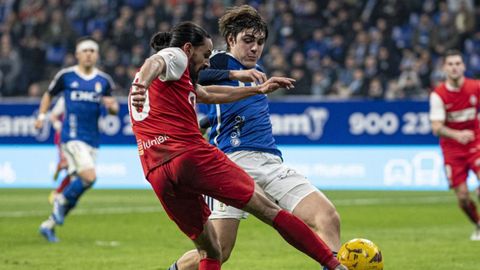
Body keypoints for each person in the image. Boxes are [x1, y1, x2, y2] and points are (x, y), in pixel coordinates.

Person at [129, 21, 347, 270]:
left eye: (260, 42)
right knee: (264, 213)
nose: (207, 61)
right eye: (248, 40)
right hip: (201, 156)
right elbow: (157, 62)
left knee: (211, 250)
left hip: (156, 168)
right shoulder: (181, 56)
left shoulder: (181, 81)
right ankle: (334, 265)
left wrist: (258, 89)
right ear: (230, 39)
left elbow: (209, 94)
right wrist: (140, 85)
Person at [35, 37, 119, 242]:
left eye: (92, 50)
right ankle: (60, 199)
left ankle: (49, 225)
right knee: (90, 176)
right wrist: (41, 116)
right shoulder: (66, 76)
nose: (89, 53)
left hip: (92, 140)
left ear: (97, 55)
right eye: (85, 50)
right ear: (77, 55)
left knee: (82, 183)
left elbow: (114, 109)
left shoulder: (104, 81)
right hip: (71, 137)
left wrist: (111, 106)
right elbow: (48, 95)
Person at [429, 49, 480, 241]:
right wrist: (458, 135)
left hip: (476, 142)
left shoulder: (476, 87)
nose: (454, 67)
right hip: (452, 149)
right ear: (444, 68)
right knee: (463, 197)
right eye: (450, 64)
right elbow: (436, 127)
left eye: (458, 63)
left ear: (464, 66)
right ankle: (478, 224)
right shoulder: (439, 95)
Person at [47, 96, 72, 205]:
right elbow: (53, 115)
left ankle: (59, 192)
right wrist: (58, 126)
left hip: (76, 137)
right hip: (63, 137)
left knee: (73, 170)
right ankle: (58, 193)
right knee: (68, 166)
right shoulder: (65, 99)